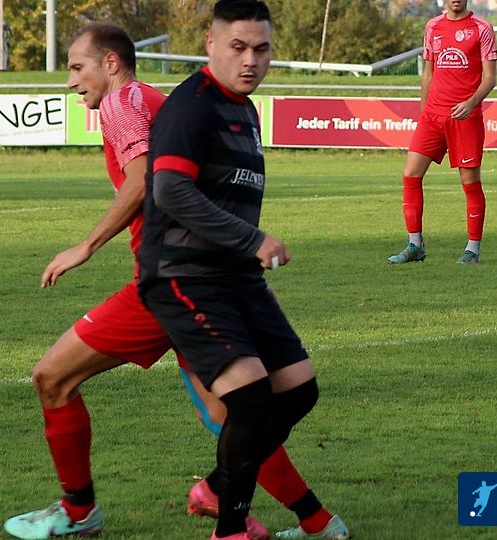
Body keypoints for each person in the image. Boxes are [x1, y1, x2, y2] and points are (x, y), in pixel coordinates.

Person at [3, 19, 343, 540]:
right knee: (232, 414)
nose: (71, 81)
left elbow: (145, 181)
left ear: (110, 63)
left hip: (167, 283)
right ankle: (314, 520)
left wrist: (85, 245)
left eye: (77, 67)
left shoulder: (122, 103)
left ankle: (79, 511)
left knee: (53, 378)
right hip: (204, 275)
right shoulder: (162, 102)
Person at [138, 2, 347, 539]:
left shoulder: (246, 110)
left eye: (261, 48)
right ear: (210, 43)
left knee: (297, 391)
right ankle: (228, 528)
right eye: (238, 47)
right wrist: (253, 239)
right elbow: (169, 190)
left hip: (237, 276)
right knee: (250, 400)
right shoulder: (192, 106)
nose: (250, 59)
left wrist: (245, 250)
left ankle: (215, 488)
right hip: (185, 274)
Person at [387, 0, 497, 265]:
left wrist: (471, 103)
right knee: (410, 174)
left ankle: (472, 251)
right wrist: (424, 111)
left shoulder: (482, 28)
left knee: (470, 182)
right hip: (432, 117)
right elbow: (428, 73)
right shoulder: (432, 26)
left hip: (465, 118)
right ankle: (415, 245)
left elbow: (490, 78)